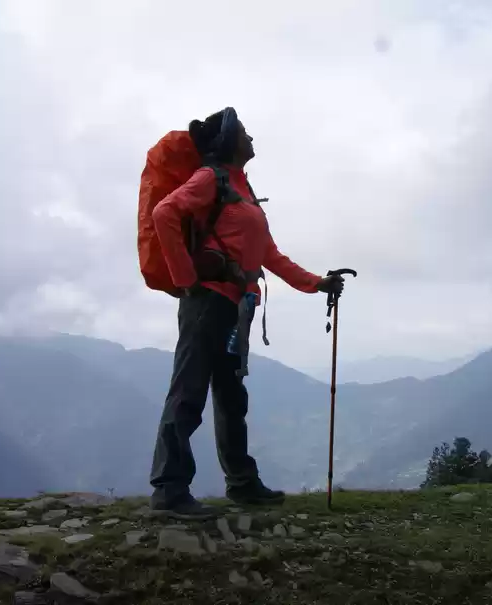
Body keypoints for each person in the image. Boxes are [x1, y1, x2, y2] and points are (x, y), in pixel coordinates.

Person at [148, 107, 345, 519]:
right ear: (228, 143)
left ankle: (241, 483)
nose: (250, 136)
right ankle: (168, 490)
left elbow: (268, 254)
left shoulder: (242, 188)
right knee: (189, 392)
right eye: (243, 131)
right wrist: (186, 279)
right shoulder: (210, 179)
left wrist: (316, 284)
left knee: (231, 396)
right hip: (207, 303)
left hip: (237, 307)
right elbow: (164, 213)